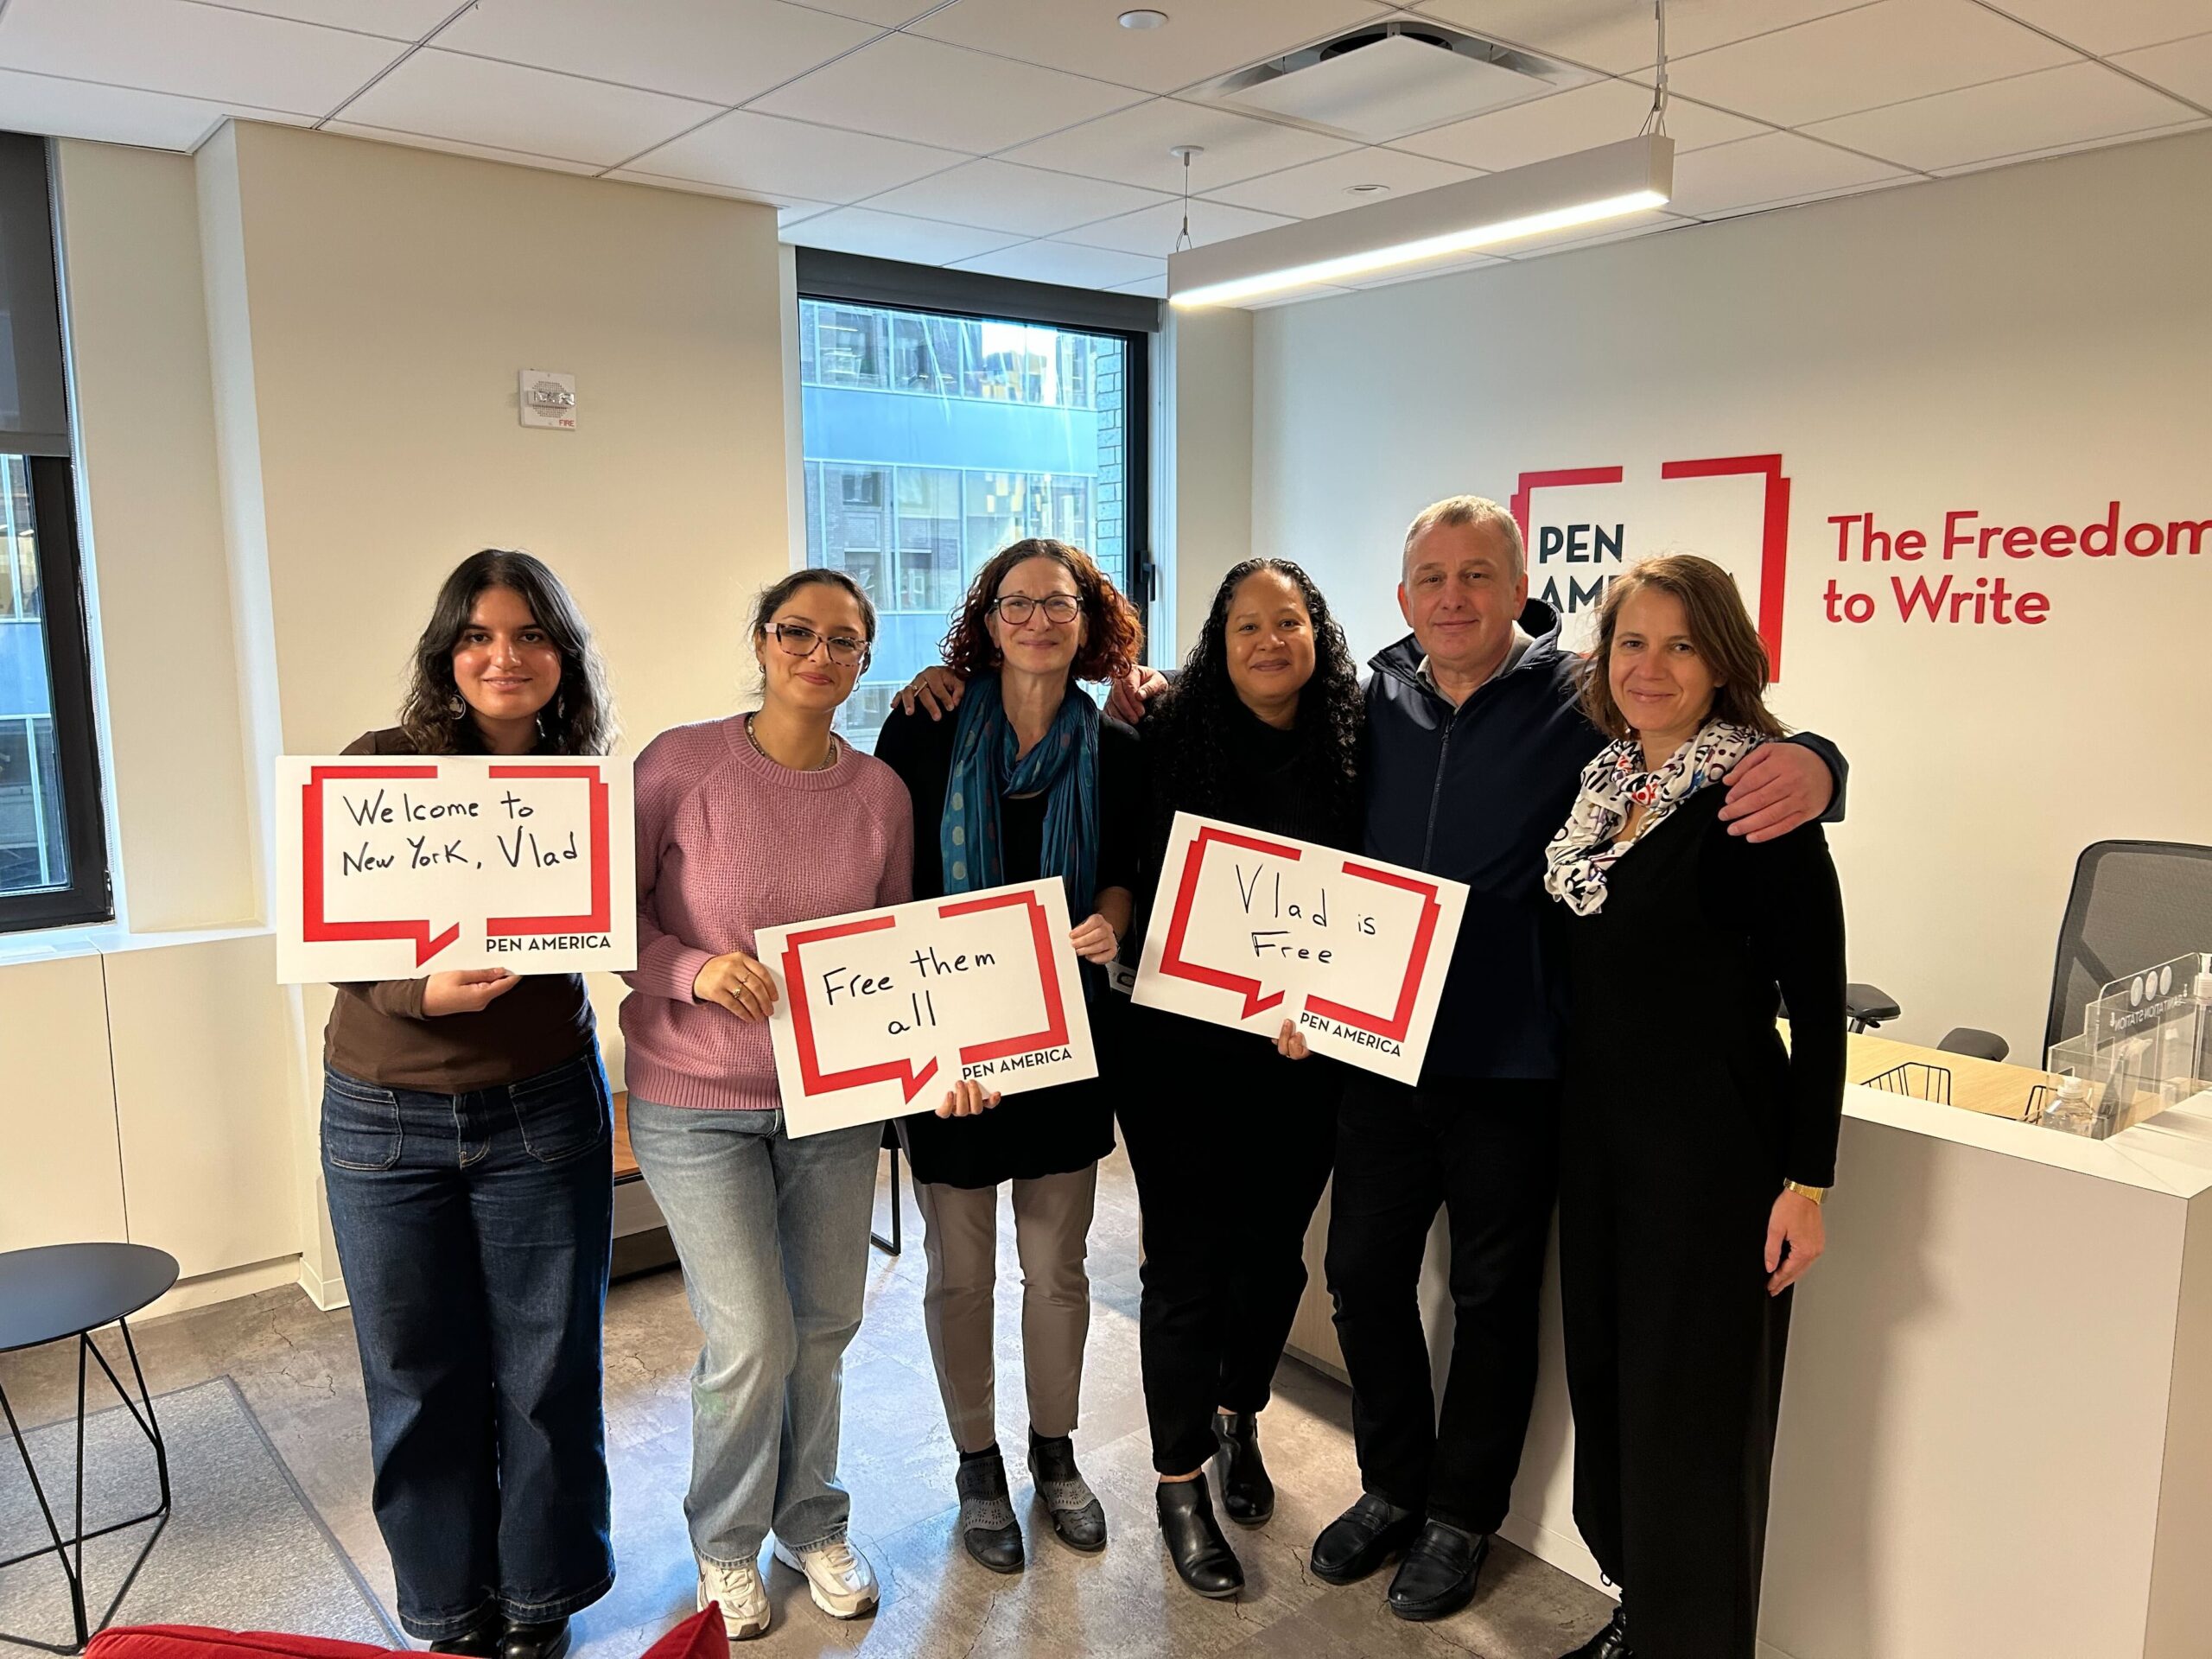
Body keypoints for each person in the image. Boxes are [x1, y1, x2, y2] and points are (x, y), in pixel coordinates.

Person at [1310, 498, 1847, 1624]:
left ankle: (1461, 1517)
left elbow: (1754, 787)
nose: (1452, 597)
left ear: (1520, 589)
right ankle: (1392, 1488)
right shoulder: (1379, 702)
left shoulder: (1574, 702)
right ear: (1402, 594)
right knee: (1362, 1276)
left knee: (1501, 1300)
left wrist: (1821, 762)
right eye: (1429, 577)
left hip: (1523, 1069)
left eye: (1476, 575)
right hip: (1389, 1054)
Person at [1541, 556, 1844, 1659]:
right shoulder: (1601, 792)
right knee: (1616, 1397)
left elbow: (1817, 1010)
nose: (1650, 666)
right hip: (1601, 1147)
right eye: (1631, 641)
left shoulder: (1760, 803)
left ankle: (1691, 1641)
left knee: (1693, 1424)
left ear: (1723, 660)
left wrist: (1806, 1183)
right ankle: (1641, 1615)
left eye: (1679, 644)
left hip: (1714, 1160)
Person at [320, 550, 619, 1659]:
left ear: (562, 658)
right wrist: (417, 989)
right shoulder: (380, 766)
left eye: (533, 635)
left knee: (548, 1371)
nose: (507, 657)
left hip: (540, 1109)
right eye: (482, 635)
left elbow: (607, 928)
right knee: (412, 1374)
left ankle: (540, 1603)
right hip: (380, 1116)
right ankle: (449, 1614)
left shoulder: (580, 780)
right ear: (449, 654)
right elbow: (335, 935)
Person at [620, 569, 913, 1643]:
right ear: (758, 640)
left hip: (833, 1105)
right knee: (751, 1338)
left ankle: (812, 1521)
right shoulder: (681, 763)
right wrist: (693, 970)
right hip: (696, 1098)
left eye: (844, 641)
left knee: (826, 1328)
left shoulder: (879, 794)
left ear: (862, 661)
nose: (818, 654)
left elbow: (896, 953)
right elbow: (609, 918)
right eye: (797, 632)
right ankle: (725, 1544)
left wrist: (930, 1057)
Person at [873, 537, 1145, 1577]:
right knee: (960, 1269)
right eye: (1015, 603)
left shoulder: (1117, 743)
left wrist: (1112, 922)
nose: (1037, 619)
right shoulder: (925, 726)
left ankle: (1056, 1452)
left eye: (1058, 603)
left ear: (1090, 621)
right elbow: (886, 884)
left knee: (1058, 1265)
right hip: (947, 1052)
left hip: (1066, 1040)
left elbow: (1122, 871)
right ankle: (977, 1461)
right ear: (985, 621)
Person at [1116, 558, 1365, 1598]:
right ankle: (1179, 1481)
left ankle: (1238, 1414)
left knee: (1273, 1262)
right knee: (1184, 1272)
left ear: (1318, 633)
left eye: (1290, 622)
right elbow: (1128, 871)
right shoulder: (1162, 738)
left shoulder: (1361, 739)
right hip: (1179, 1054)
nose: (1271, 641)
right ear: (1216, 644)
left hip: (1305, 1058)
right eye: (1247, 625)